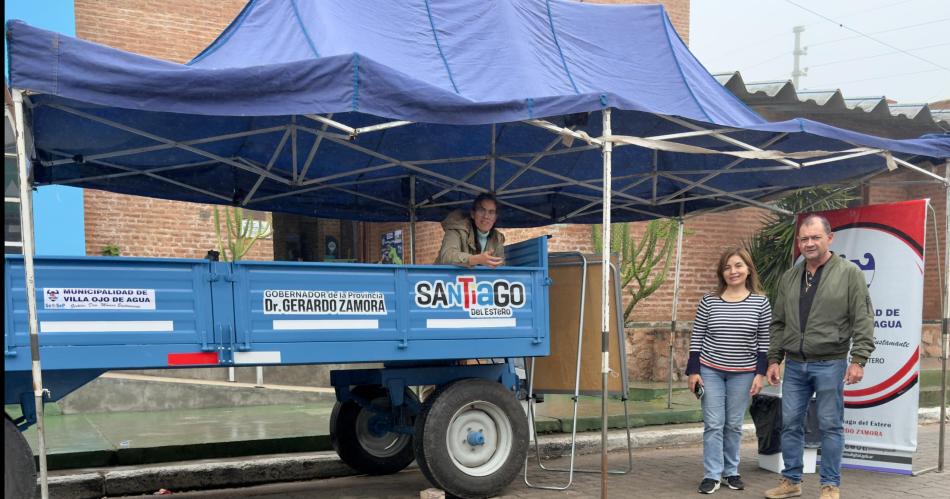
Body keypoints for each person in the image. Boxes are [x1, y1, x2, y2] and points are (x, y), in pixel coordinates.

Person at [764, 214, 874, 499]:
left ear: (830, 238)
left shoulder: (849, 273)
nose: (809, 243)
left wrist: (859, 359)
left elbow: (863, 318)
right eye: (804, 239)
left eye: (815, 237)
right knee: (789, 425)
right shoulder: (790, 277)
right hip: (796, 365)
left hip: (830, 362)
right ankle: (791, 481)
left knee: (830, 426)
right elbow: (778, 322)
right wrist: (774, 359)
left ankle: (829, 485)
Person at [687, 247, 771, 494]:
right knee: (714, 424)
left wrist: (760, 374)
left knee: (733, 424)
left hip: (744, 373)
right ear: (721, 272)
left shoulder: (761, 302)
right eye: (727, 267)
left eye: (738, 266)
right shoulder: (708, 301)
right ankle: (712, 475)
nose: (732, 271)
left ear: (748, 270)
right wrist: (694, 371)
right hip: (710, 370)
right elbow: (697, 337)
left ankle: (731, 472)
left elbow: (764, 340)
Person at [435, 193, 505, 268]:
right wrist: (475, 259)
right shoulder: (457, 229)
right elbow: (446, 257)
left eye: (491, 212)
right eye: (482, 210)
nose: (486, 216)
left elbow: (500, 268)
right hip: (446, 278)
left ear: (495, 218)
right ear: (472, 214)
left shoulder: (497, 238)